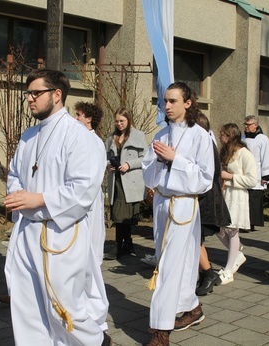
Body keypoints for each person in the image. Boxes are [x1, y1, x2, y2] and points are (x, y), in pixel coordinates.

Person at [4, 69, 110, 345]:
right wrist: (18, 194)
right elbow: (14, 174)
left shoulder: (78, 136)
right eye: (28, 93)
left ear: (57, 94)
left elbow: (84, 187)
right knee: (27, 305)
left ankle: (97, 342)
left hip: (61, 233)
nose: (30, 99)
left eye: (36, 93)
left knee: (62, 304)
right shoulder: (28, 136)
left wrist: (39, 199)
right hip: (27, 230)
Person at [142, 82, 214, 345]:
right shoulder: (160, 135)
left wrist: (176, 160)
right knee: (175, 261)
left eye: (173, 101)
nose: (167, 106)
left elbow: (206, 178)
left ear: (188, 103)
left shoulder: (200, 136)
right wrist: (159, 163)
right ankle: (191, 307)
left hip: (183, 204)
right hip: (162, 203)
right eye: (165, 101)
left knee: (169, 266)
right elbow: (148, 171)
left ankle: (159, 330)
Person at [73, 101, 109, 332]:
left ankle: (93, 307)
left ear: (89, 119)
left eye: (78, 114)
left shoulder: (94, 141)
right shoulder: (78, 138)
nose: (75, 118)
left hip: (90, 199)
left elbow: (92, 175)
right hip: (80, 198)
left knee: (90, 247)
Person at [194, 113, 231, 296]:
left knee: (195, 238)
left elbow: (209, 173)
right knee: (195, 238)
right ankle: (204, 274)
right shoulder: (204, 142)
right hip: (202, 198)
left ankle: (208, 273)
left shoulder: (206, 144)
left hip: (205, 199)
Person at [103, 107, 147, 260]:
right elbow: (104, 156)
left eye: (122, 121)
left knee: (124, 215)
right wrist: (108, 164)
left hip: (130, 180)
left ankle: (119, 245)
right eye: (117, 121)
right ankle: (125, 243)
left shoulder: (138, 136)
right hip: (116, 180)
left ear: (128, 120)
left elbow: (145, 158)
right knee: (120, 214)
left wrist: (129, 164)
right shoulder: (111, 137)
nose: (119, 124)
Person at [217, 123, 257, 284]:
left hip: (237, 195)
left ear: (229, 135)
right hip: (224, 194)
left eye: (222, 134)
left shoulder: (244, 153)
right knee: (219, 228)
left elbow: (252, 180)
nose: (220, 137)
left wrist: (231, 177)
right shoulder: (225, 152)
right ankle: (237, 255)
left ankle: (229, 270)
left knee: (232, 230)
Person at [242, 115, 269, 232]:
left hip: (257, 171)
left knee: (254, 198)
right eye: (245, 125)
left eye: (248, 125)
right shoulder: (242, 137)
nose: (246, 127)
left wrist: (265, 176)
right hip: (243, 171)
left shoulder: (262, 139)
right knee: (244, 198)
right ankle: (243, 222)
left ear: (255, 125)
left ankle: (252, 223)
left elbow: (267, 156)